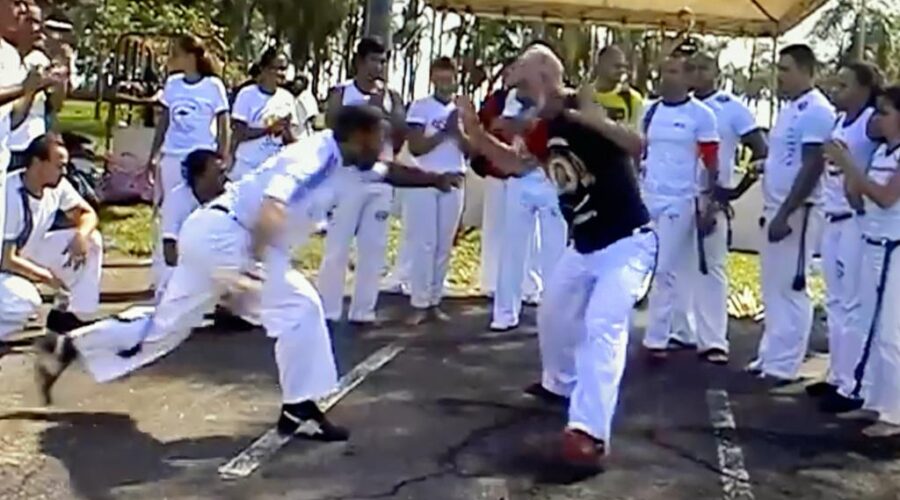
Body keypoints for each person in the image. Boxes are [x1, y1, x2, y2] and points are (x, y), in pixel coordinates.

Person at [34, 105, 461, 434]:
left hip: (212, 235)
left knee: (166, 329)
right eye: (377, 140)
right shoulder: (313, 158)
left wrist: (436, 181)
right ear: (356, 136)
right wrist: (247, 270)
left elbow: (391, 174)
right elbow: (274, 206)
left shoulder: (352, 163)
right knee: (301, 307)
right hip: (231, 237)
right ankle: (299, 407)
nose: (381, 149)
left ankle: (70, 345)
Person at [458, 44, 655, 467]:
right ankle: (560, 384)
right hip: (584, 246)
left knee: (603, 324)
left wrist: (588, 117)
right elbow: (514, 164)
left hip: (627, 243)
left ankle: (588, 430)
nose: (519, 95)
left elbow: (637, 144)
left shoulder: (580, 112)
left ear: (548, 80)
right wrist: (477, 136)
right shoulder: (541, 129)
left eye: (525, 85)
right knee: (552, 314)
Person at [670, 51, 768, 364]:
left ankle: (713, 340)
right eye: (691, 69)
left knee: (712, 268)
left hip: (711, 197)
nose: (696, 74)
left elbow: (761, 151)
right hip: (674, 197)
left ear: (716, 72)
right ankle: (679, 330)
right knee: (674, 266)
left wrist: (734, 191)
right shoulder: (671, 107)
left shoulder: (731, 109)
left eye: (703, 68)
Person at [749, 44, 836, 384]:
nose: (780, 76)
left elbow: (813, 165)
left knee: (790, 288)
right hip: (776, 207)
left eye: (786, 69)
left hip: (797, 212)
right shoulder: (790, 109)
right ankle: (770, 355)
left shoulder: (817, 110)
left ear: (805, 70)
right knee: (772, 287)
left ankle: (785, 364)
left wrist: (786, 213)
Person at [824, 85, 900, 438]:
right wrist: (848, 175)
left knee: (890, 333)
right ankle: (874, 398)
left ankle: (894, 413)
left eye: (885, 113)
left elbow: (885, 198)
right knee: (869, 325)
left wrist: (851, 166)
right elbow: (860, 198)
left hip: (893, 249)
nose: (878, 119)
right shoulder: (882, 152)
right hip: (871, 242)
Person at [807, 63, 882, 413]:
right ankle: (837, 375)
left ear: (865, 89)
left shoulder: (870, 121)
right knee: (835, 303)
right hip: (832, 216)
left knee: (853, 305)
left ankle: (855, 384)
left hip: (856, 219)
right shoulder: (840, 120)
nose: (836, 90)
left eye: (844, 84)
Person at [317, 37, 406, 325]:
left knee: (374, 247)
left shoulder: (391, 96)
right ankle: (329, 308)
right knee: (338, 246)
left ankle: (363, 309)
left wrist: (385, 111)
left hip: (379, 179)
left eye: (382, 61)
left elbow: (401, 133)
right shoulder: (342, 92)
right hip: (347, 177)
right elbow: (330, 125)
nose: (378, 67)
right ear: (360, 61)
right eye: (373, 60)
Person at [639, 52, 721, 361]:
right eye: (663, 71)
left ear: (687, 79)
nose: (667, 78)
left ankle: (656, 339)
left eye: (673, 72)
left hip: (681, 200)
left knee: (666, 268)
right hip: (649, 198)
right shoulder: (649, 112)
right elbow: (639, 153)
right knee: (642, 265)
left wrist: (710, 204)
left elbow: (711, 164)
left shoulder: (702, 116)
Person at [0, 133, 102, 339]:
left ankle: (74, 317)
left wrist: (81, 235)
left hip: (28, 253)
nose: (64, 172)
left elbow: (87, 213)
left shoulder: (58, 186)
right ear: (38, 163)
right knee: (25, 301)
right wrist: (49, 279)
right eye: (59, 166)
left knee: (92, 241)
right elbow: (7, 260)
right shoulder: (9, 193)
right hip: (6, 264)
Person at [489, 86, 568, 332]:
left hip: (550, 179)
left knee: (554, 251)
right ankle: (504, 313)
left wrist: (541, 151)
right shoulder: (516, 96)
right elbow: (501, 125)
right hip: (520, 176)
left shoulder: (559, 97)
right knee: (512, 247)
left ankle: (554, 315)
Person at [402, 57, 471, 324]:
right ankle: (419, 301)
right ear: (432, 79)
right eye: (440, 79)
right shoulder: (420, 107)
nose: (445, 84)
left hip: (454, 179)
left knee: (444, 245)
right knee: (424, 243)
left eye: (449, 79)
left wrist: (460, 132)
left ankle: (434, 300)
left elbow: (472, 151)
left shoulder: (463, 110)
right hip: (424, 179)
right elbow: (417, 146)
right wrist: (446, 132)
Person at [147, 35, 230, 203]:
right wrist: (154, 154)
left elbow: (223, 123)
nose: (171, 59)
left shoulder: (213, 85)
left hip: (201, 157)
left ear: (190, 57)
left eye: (176, 54)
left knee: (197, 205)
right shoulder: (172, 83)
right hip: (173, 154)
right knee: (170, 204)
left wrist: (221, 156)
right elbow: (164, 121)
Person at [154, 149, 228, 298]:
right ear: (199, 177)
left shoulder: (230, 196)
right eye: (218, 173)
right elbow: (170, 254)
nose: (225, 178)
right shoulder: (176, 199)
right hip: (178, 274)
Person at [9, 2, 66, 171]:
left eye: (38, 23)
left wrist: (62, 79)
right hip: (11, 148)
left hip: (37, 149)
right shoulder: (5, 60)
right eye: (29, 21)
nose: (36, 29)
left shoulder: (40, 59)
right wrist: (32, 88)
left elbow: (57, 105)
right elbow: (12, 116)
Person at [229, 47, 299, 181]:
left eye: (284, 69)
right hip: (247, 167)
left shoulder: (287, 98)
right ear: (264, 69)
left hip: (274, 169)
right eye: (277, 68)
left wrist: (287, 130)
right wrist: (269, 129)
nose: (281, 73)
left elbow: (290, 140)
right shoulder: (247, 94)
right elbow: (239, 133)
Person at [593, 45, 643, 128]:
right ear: (600, 65)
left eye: (624, 67)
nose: (622, 71)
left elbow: (637, 133)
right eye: (617, 66)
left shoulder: (632, 98)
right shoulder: (583, 96)